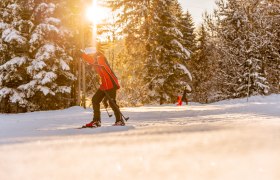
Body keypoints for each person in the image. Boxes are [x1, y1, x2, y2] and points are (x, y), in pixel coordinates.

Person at [81, 47, 125, 127]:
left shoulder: (100, 57)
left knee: (112, 103)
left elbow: (96, 61)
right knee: (95, 100)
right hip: (105, 84)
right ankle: (96, 121)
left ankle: (119, 120)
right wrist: (83, 55)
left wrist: (85, 57)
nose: (89, 57)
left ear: (92, 54)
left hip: (111, 83)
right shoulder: (95, 59)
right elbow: (92, 61)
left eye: (89, 55)